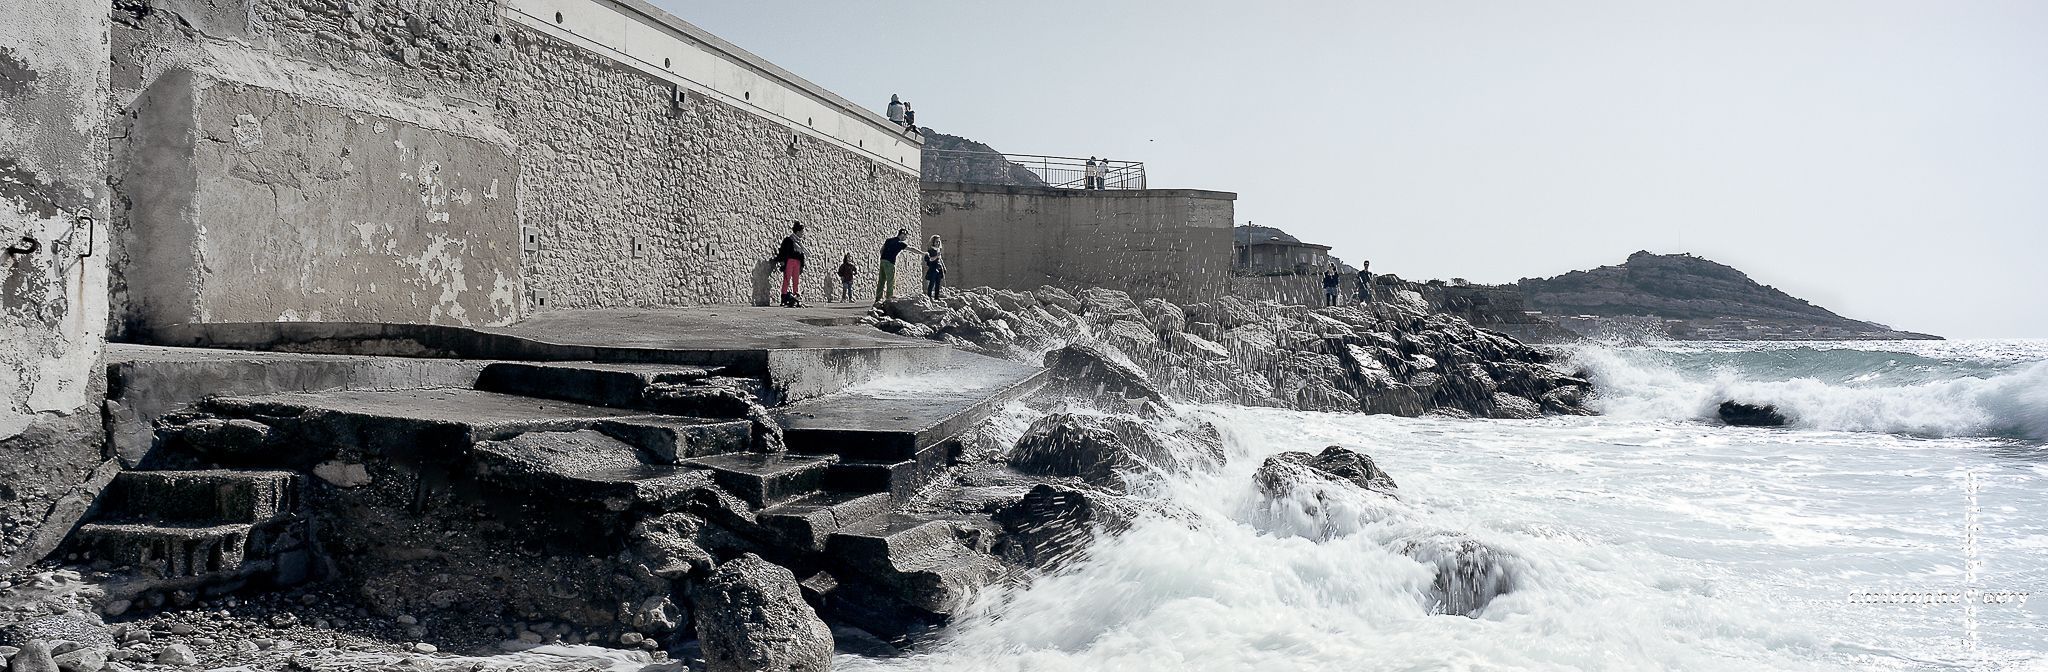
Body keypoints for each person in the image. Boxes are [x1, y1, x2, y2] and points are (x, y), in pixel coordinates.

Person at [874, 228, 919, 304]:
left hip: (882, 261)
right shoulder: (900, 243)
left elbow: (881, 250)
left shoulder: (888, 240)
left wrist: (884, 257)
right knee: (890, 281)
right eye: (906, 236)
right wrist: (922, 253)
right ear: (902, 234)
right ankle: (889, 300)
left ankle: (878, 299)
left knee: (881, 281)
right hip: (890, 263)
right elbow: (911, 249)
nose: (906, 238)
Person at [774, 222, 807, 307]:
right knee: (787, 279)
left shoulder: (800, 243)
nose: (803, 234)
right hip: (790, 261)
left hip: (797, 262)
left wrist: (802, 265)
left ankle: (795, 296)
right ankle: (784, 298)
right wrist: (782, 261)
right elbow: (783, 251)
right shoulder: (789, 240)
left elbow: (801, 254)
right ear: (797, 231)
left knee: (796, 281)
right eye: (802, 232)